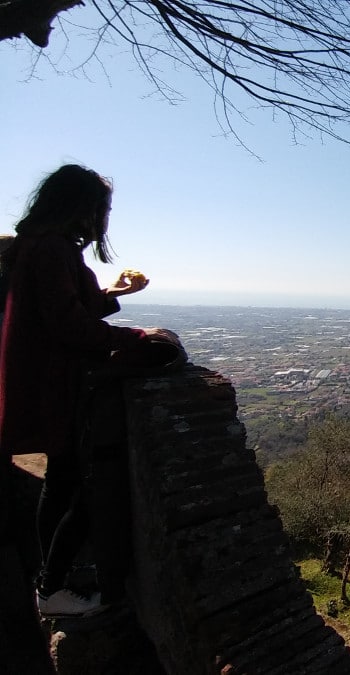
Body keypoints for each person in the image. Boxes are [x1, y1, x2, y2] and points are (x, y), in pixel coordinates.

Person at [0, 164, 177, 619]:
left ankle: (49, 583)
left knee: (62, 482)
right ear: (82, 207)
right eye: (104, 208)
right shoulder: (50, 250)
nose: (105, 218)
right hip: (56, 384)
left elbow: (67, 307)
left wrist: (117, 292)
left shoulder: (38, 246)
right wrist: (134, 339)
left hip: (49, 380)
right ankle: (52, 588)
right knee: (77, 486)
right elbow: (67, 323)